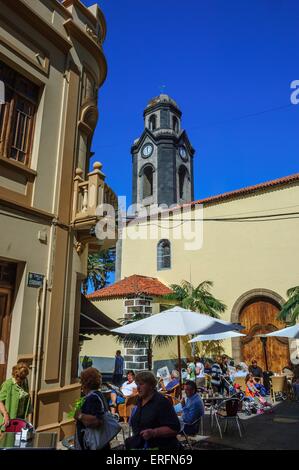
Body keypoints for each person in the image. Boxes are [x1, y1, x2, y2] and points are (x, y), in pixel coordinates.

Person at [125, 371, 181, 450]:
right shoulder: (139, 400)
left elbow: (174, 428)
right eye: (137, 384)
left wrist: (154, 432)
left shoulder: (161, 402)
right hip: (140, 445)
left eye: (141, 384)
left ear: (151, 385)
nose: (138, 387)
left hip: (160, 447)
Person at [75, 367, 110, 450]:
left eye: (82, 380)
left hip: (93, 444)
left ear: (86, 383)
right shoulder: (98, 394)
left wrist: (79, 416)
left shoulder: (92, 398)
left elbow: (97, 421)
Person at [0, 362, 31, 430]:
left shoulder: (24, 383)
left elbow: (27, 398)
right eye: (20, 377)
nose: (22, 379)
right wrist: (5, 414)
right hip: (8, 420)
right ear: (16, 375)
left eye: (24, 377)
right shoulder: (8, 384)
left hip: (20, 420)